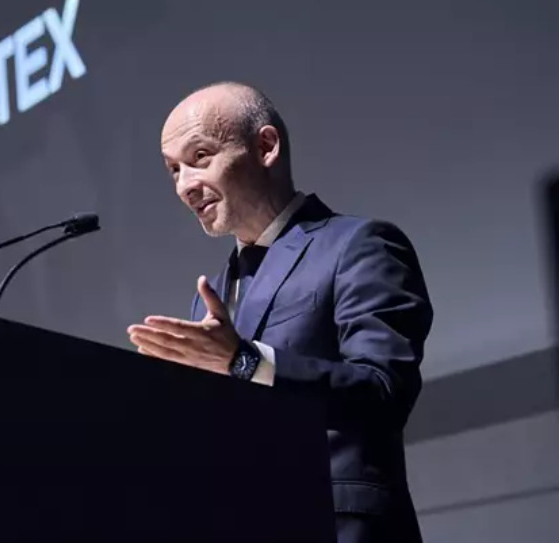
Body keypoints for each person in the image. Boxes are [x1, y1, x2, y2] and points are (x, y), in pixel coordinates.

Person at [127, 82, 433, 542]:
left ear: (266, 147)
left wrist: (245, 361)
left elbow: (383, 392)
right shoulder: (214, 292)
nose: (186, 185)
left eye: (200, 157)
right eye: (173, 170)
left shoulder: (359, 245)